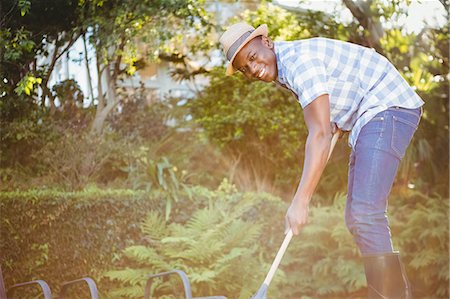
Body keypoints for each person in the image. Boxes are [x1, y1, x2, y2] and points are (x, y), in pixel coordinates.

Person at [219, 22, 423, 298]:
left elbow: (320, 133)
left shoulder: (299, 63)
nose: (252, 69)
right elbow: (326, 125)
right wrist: (332, 125)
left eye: (252, 58)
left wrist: (300, 201)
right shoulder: (286, 72)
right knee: (357, 217)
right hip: (367, 115)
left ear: (266, 41)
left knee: (365, 213)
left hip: (387, 105)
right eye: (244, 68)